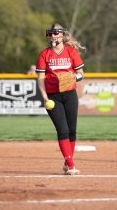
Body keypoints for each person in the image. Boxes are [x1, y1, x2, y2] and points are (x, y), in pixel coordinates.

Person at [36, 23, 85, 175]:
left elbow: (81, 74)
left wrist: (73, 78)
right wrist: (45, 98)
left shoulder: (70, 52)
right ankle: (70, 165)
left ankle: (67, 161)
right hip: (53, 96)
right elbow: (40, 79)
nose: (52, 36)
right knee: (62, 130)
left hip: (70, 94)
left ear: (62, 35)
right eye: (50, 33)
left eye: (55, 33)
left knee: (72, 131)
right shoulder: (44, 54)